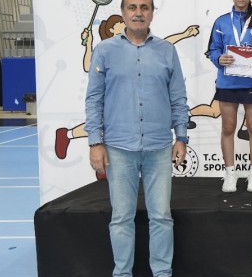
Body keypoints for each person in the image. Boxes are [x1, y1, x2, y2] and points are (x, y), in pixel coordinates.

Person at [85, 0, 188, 277]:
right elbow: (94, 100)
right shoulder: (105, 51)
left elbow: (178, 98)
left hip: (158, 146)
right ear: (123, 11)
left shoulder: (167, 51)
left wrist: (181, 137)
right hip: (118, 147)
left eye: (144, 7)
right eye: (132, 7)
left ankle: (163, 274)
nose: (138, 12)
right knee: (121, 217)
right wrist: (95, 142)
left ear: (152, 13)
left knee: (161, 216)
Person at [54, 14, 197, 164]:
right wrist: (88, 44)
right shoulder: (105, 51)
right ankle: (67, 135)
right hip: (117, 129)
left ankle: (68, 135)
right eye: (120, 29)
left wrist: (184, 34)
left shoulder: (159, 49)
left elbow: (165, 44)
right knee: (101, 123)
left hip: (154, 140)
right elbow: (89, 71)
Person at [206, 0, 252, 193]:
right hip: (228, 83)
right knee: (228, 127)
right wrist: (219, 58)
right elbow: (212, 49)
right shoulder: (221, 22)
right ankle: (230, 173)